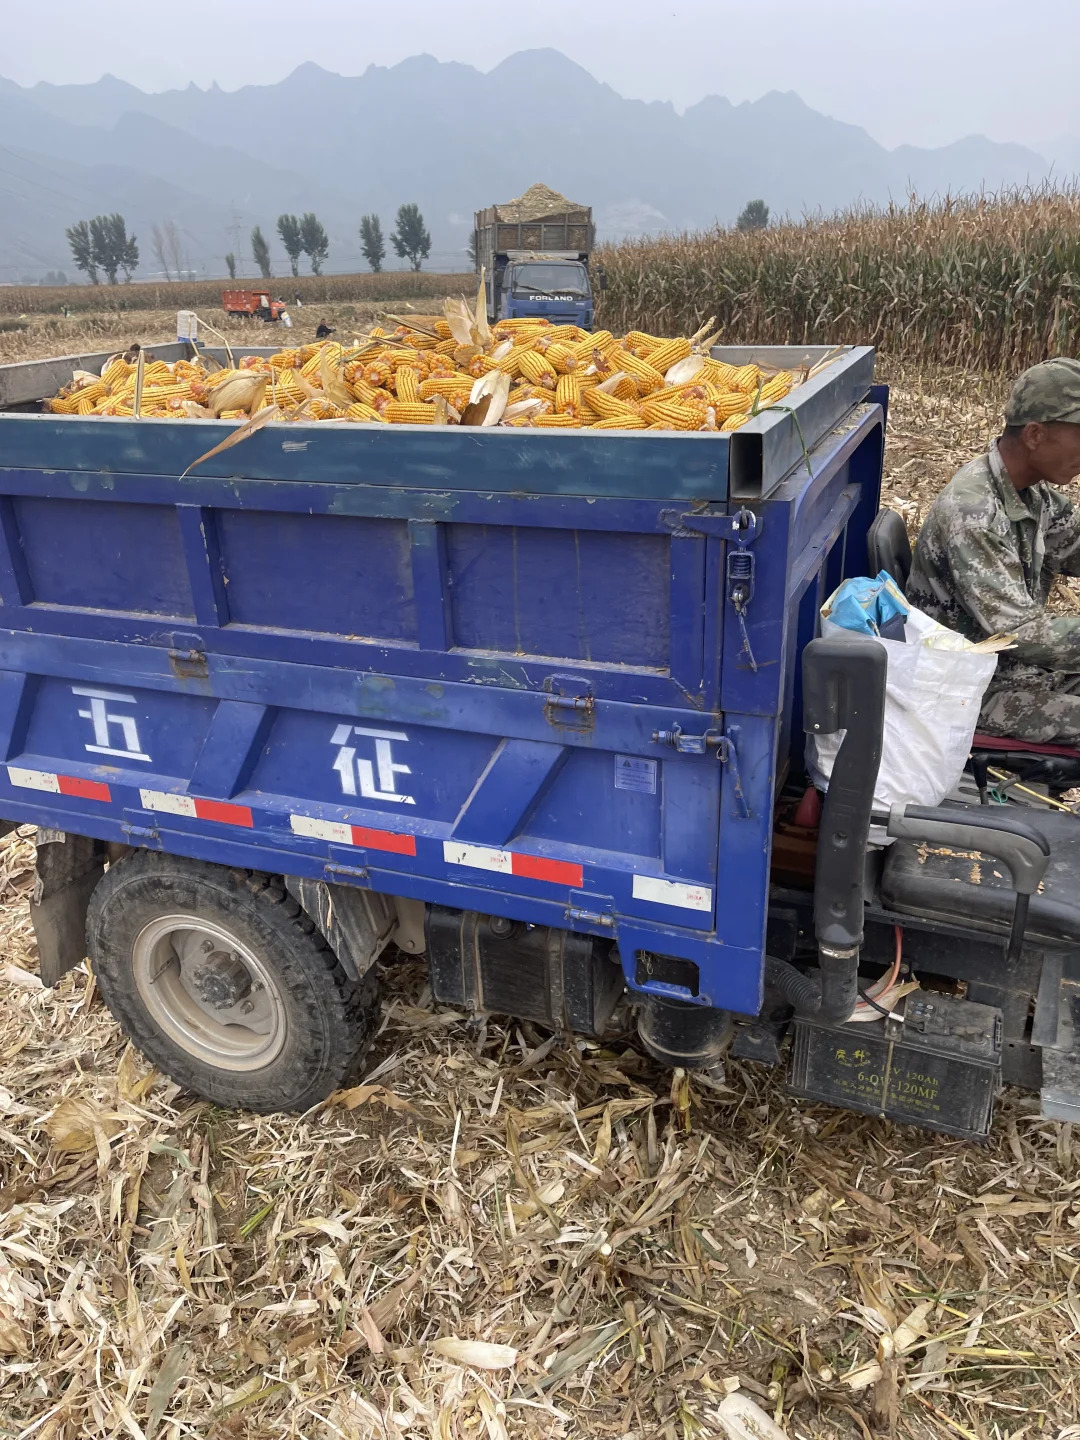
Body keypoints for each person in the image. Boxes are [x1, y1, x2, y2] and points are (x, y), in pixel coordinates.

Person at [907, 358, 1080, 743]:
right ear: (1035, 435)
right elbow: (1018, 633)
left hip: (1012, 671)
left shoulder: (1032, 494)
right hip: (968, 691)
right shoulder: (974, 511)